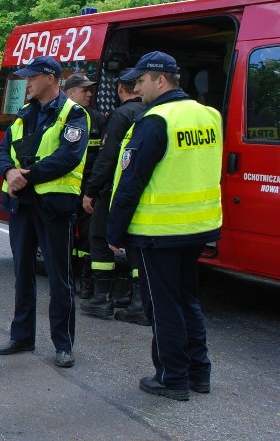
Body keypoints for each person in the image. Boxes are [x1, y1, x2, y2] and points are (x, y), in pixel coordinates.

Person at [107, 51, 222, 401]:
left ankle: (172, 378)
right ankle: (199, 374)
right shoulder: (209, 115)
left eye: (141, 81)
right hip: (198, 227)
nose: (137, 89)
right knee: (187, 300)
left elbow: (131, 182)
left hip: (159, 232)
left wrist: (114, 231)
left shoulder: (156, 120)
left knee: (163, 306)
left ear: (160, 80)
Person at [0, 56, 90, 368]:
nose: (27, 83)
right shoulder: (24, 114)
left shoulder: (73, 114)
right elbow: (0, 152)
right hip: (22, 205)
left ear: (49, 77)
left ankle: (63, 345)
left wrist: (26, 176)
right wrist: (9, 173)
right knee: (22, 273)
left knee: (59, 278)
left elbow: (67, 157)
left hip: (53, 208)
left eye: (31, 77)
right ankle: (22, 337)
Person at [81, 71, 149, 325]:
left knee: (99, 238)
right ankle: (139, 303)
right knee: (135, 244)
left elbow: (107, 158)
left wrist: (91, 189)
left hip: (114, 190)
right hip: (142, 191)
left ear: (121, 88)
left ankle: (102, 299)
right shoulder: (151, 112)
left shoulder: (120, 115)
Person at [62, 73, 106, 299]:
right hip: (66, 187)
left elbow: (102, 156)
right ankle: (67, 277)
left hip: (88, 187)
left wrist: (93, 188)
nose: (89, 94)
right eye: (84, 90)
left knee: (88, 236)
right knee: (65, 234)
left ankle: (86, 281)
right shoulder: (61, 117)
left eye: (91, 90)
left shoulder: (97, 118)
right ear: (70, 93)